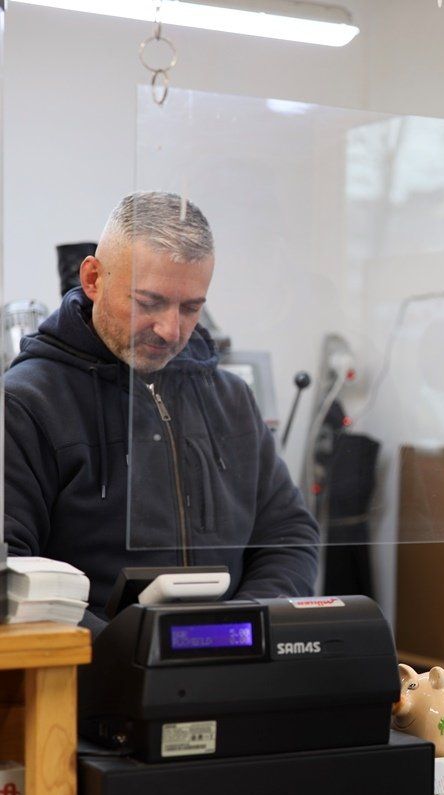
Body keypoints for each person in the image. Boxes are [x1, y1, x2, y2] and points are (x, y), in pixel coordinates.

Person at [5, 191, 318, 617]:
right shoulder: (25, 404)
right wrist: (129, 650)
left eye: (191, 308)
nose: (170, 330)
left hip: (232, 663)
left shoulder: (231, 400)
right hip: (87, 675)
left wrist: (241, 628)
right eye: (148, 303)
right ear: (94, 279)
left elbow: (288, 534)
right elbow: (12, 574)